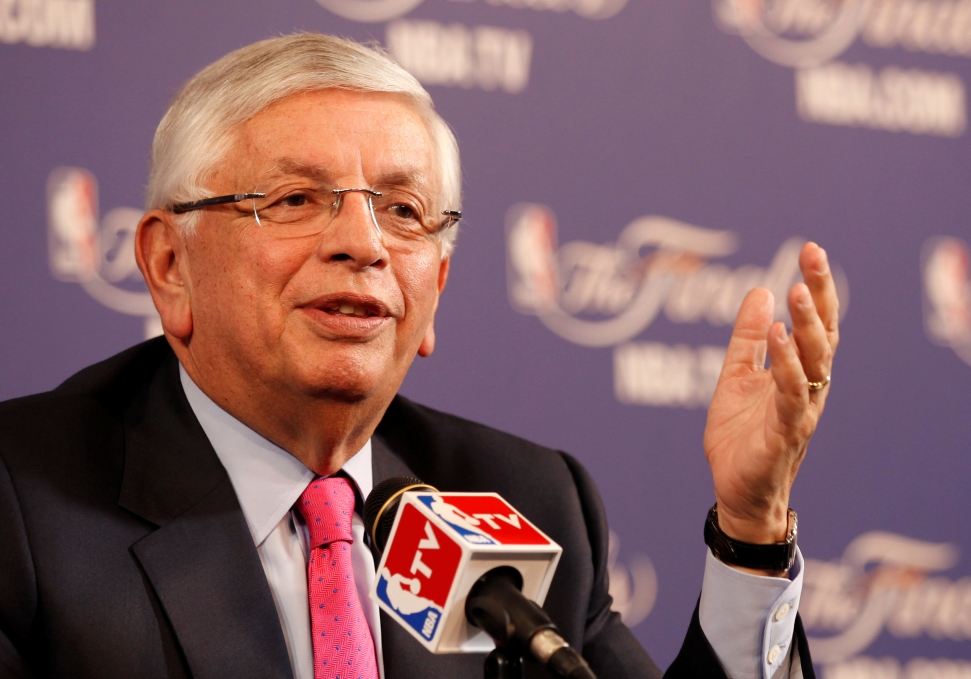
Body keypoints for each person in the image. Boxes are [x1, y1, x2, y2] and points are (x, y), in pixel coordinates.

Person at [0, 34, 839, 679]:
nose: (364, 244)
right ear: (169, 267)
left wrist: (750, 529)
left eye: (404, 211)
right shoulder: (23, 507)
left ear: (434, 285)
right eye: (296, 199)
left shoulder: (528, 499)